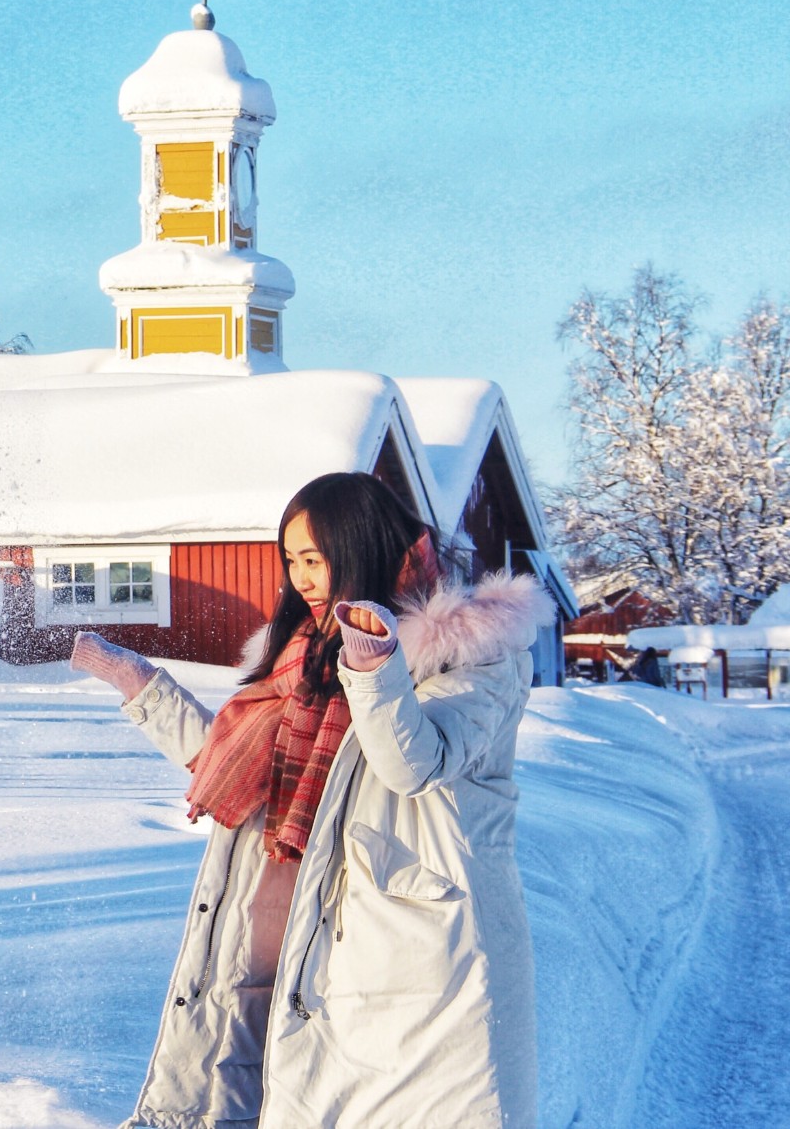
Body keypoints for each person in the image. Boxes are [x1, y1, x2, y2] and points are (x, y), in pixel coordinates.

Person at [71, 471, 552, 1128]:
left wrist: (374, 665)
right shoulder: (308, 656)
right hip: (296, 911)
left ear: (365, 546)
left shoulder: (472, 653)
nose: (301, 577)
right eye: (291, 559)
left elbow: (413, 760)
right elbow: (244, 769)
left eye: (315, 557)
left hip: (418, 947)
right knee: (251, 1084)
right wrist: (143, 688)